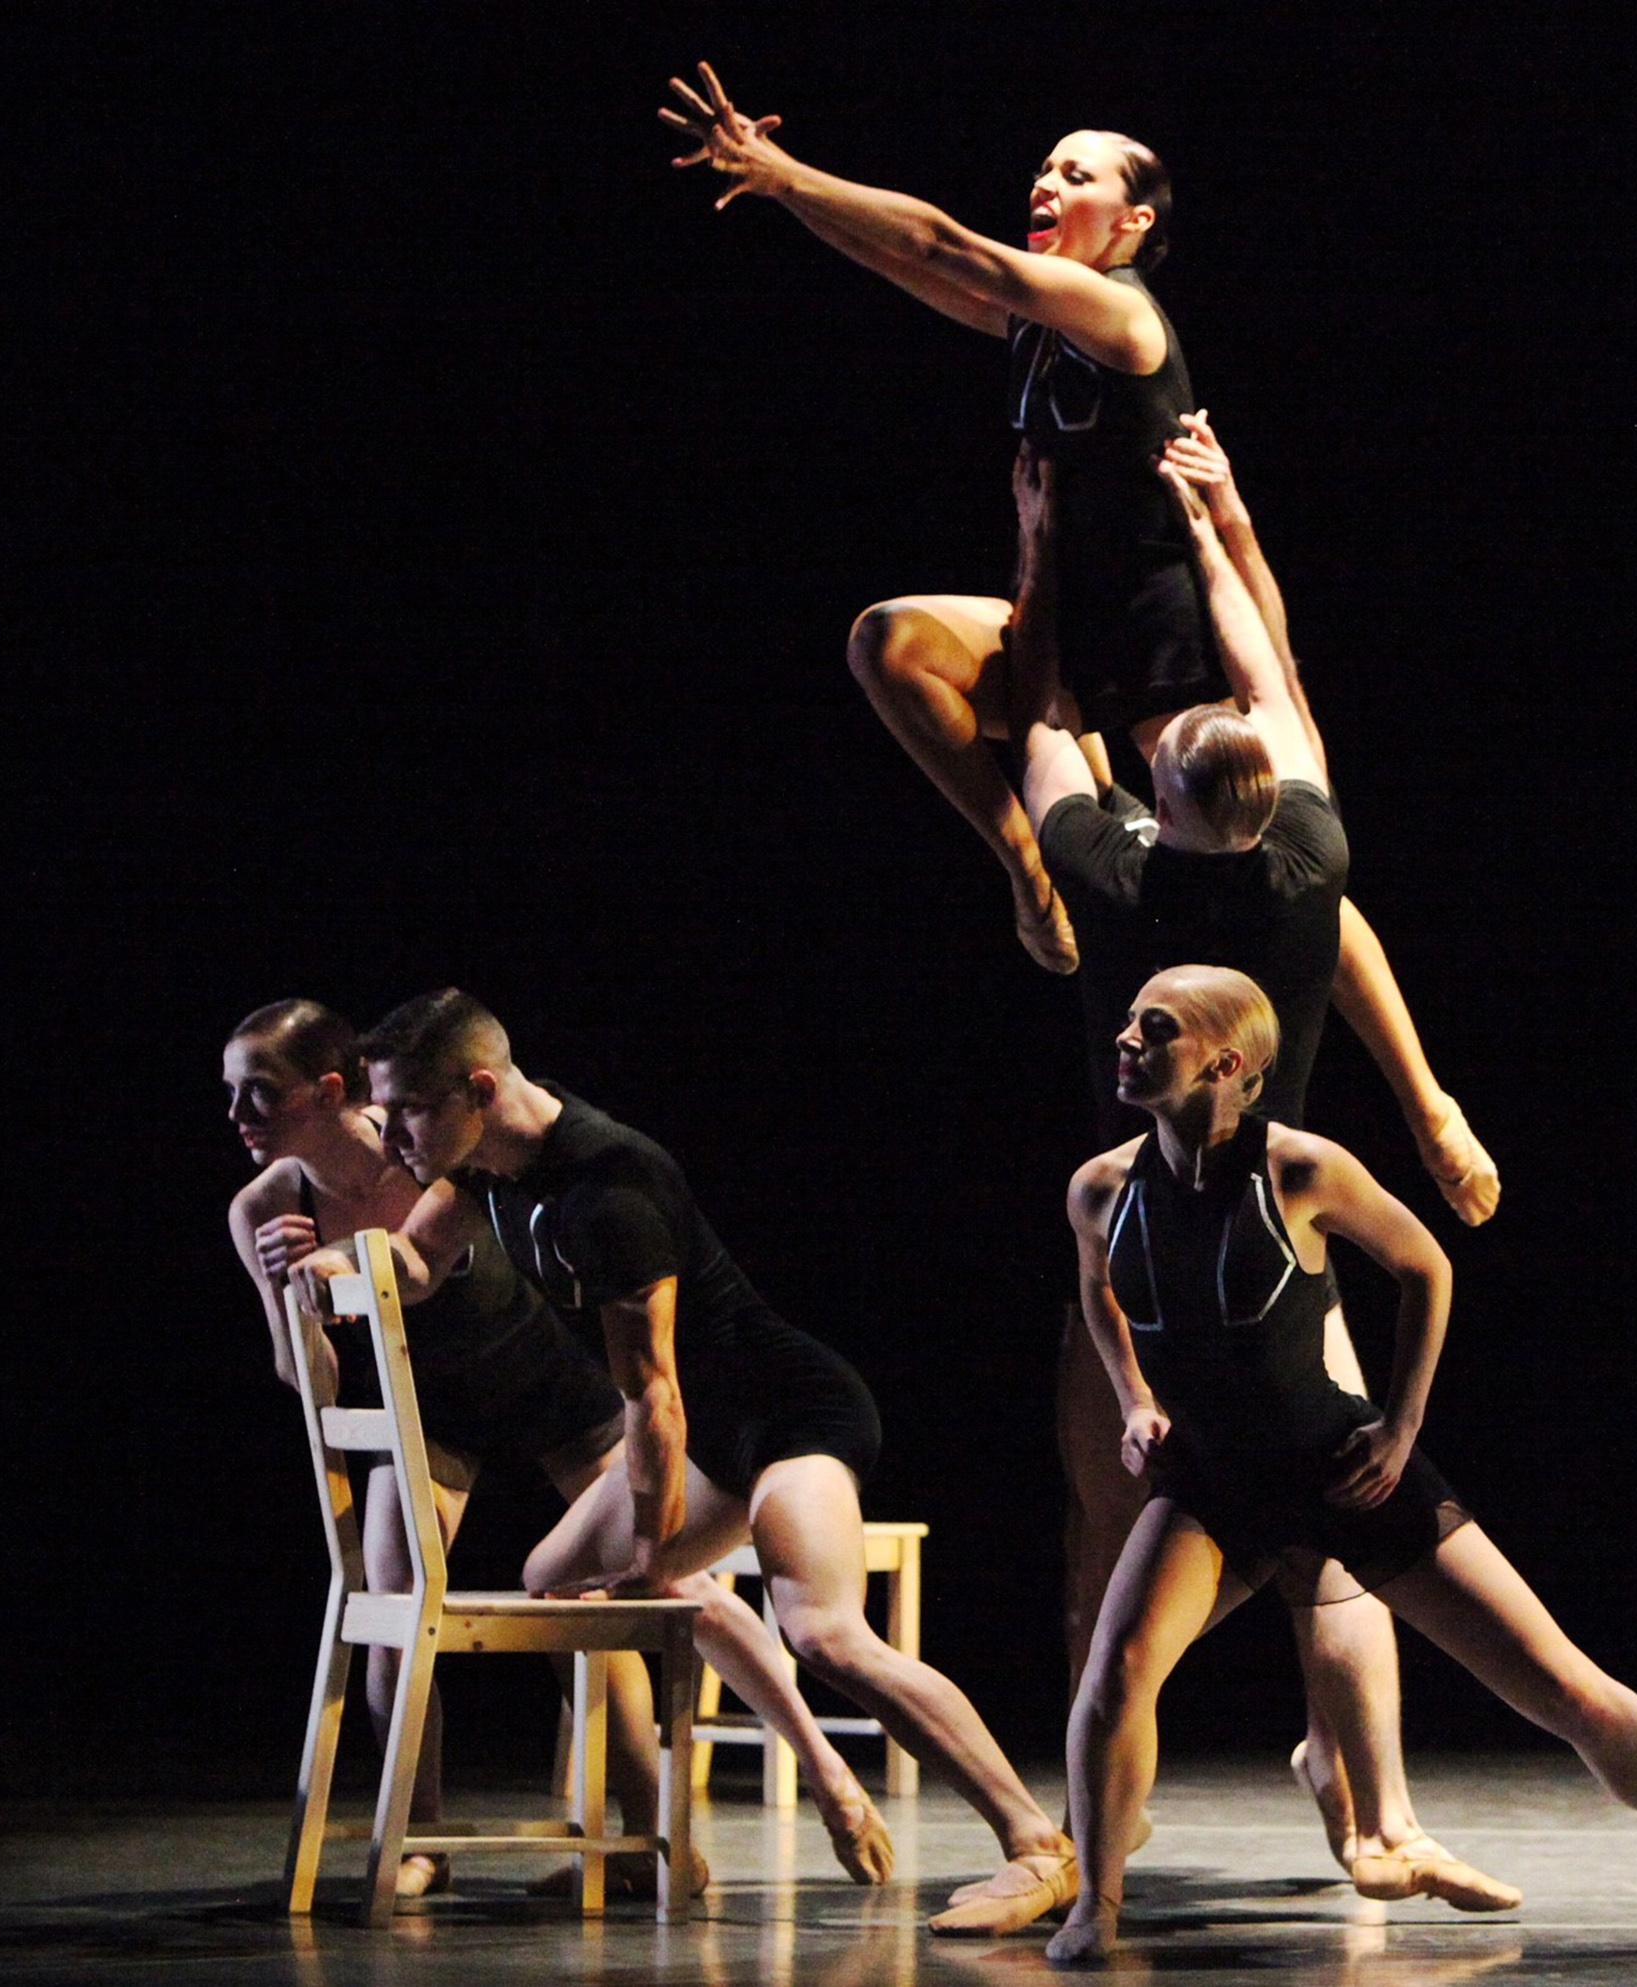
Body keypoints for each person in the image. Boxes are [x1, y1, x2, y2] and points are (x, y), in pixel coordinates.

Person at [1045, 967, 1637, 1963]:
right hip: (1214, 1485)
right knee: (1115, 1676)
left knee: (1562, 1686)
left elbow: (1426, 1265)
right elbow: (1102, 1297)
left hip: (1341, 1470)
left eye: (1152, 1030)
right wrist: (1136, 1401)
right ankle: (1095, 1906)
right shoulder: (1101, 1188)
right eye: (1129, 1022)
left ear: (1226, 1063)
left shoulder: (1299, 1170)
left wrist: (1401, 1428)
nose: (1124, 1039)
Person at [1019, 430, 1509, 1898]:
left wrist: (1038, 536)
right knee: (1343, 1529)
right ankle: (1372, 1805)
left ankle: (1113, 1824)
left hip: (1158, 1239)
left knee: (1110, 1548)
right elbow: (1271, 683)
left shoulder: (1117, 879)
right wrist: (1224, 520)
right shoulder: (1307, 865)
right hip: (1286, 1224)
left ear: (1159, 802)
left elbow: (1041, 710)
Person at [323, 991, 1078, 1936]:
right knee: (554, 1584)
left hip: (790, 1415)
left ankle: (1036, 1844)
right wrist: (340, 1265)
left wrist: (651, 1554)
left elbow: (653, 1398)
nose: (388, 1133)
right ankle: (644, 1853)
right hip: (717, 1430)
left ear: (479, 1087)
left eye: (409, 1110)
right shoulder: (485, 1165)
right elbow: (419, 1261)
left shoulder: (613, 1188)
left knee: (825, 1633)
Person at [222, 1000, 894, 1896]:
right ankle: (420, 1838)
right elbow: (306, 1378)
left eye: (258, 1094)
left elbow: (506, 1198)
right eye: (232, 1095)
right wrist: (290, 1289)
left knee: (657, 1588)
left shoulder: (427, 1131)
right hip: (433, 1412)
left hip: (550, 1378)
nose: (237, 1116)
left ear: (331, 1090)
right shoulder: (267, 1205)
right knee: (391, 1600)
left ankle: (728, 1808)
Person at [660, 61, 1224, 975]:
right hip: (1061, 631)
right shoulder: (1038, 323)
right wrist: (779, 191)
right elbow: (899, 258)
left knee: (1260, 874)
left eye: (1077, 176)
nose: (1045, 183)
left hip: (1156, 645)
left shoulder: (1119, 312)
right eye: (1045, 167)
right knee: (888, 645)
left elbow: (938, 242)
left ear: (1133, 224)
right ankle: (1026, 869)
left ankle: (1428, 1104)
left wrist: (786, 169)